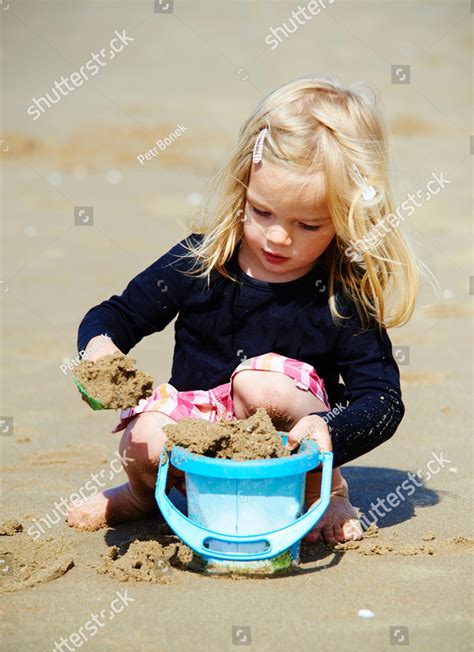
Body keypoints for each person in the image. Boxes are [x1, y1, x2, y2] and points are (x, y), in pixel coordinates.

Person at [67, 75, 418, 545]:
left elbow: (382, 401)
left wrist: (328, 428)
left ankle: (328, 491)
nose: (278, 236)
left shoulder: (340, 293)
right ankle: (146, 494)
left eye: (308, 224)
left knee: (259, 384)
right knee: (142, 439)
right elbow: (116, 315)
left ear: (346, 216)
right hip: (197, 435)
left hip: (293, 448)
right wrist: (100, 349)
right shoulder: (200, 261)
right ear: (243, 186)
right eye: (262, 211)